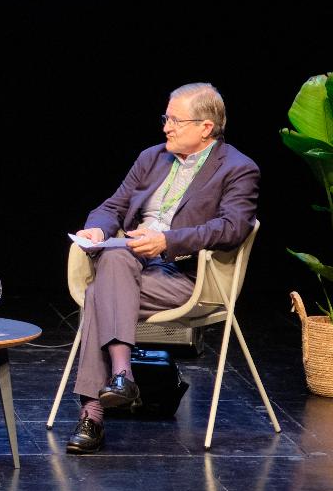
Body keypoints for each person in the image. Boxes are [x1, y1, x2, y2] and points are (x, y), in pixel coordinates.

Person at [66, 83, 258, 454]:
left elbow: (232, 228)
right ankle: (122, 378)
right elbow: (113, 207)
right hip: (134, 264)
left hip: (187, 276)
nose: (166, 127)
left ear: (206, 127)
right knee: (116, 257)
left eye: (175, 120)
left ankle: (93, 414)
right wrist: (97, 228)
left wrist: (168, 241)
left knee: (98, 292)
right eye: (165, 118)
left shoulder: (238, 168)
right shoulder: (151, 158)